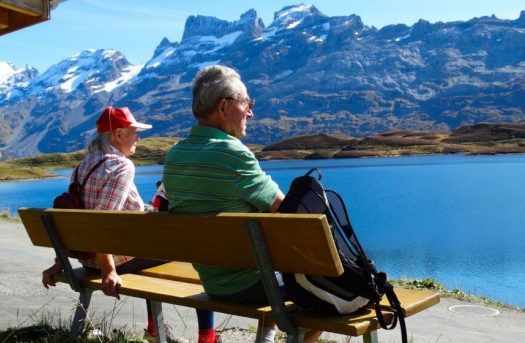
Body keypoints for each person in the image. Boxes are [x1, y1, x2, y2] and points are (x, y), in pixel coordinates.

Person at [162, 65, 321, 343]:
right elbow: (290, 214)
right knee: (334, 283)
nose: (250, 112)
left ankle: (266, 338)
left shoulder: (175, 155)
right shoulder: (233, 153)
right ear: (223, 108)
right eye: (246, 103)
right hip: (251, 284)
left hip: (212, 282)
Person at [40, 106, 191, 342]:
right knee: (184, 244)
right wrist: (108, 270)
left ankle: (155, 328)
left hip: (86, 258)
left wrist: (60, 262)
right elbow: (103, 221)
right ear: (118, 135)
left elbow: (75, 216)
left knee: (152, 243)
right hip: (111, 260)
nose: (138, 138)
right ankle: (167, 330)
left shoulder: (83, 165)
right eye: (134, 132)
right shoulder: (121, 166)